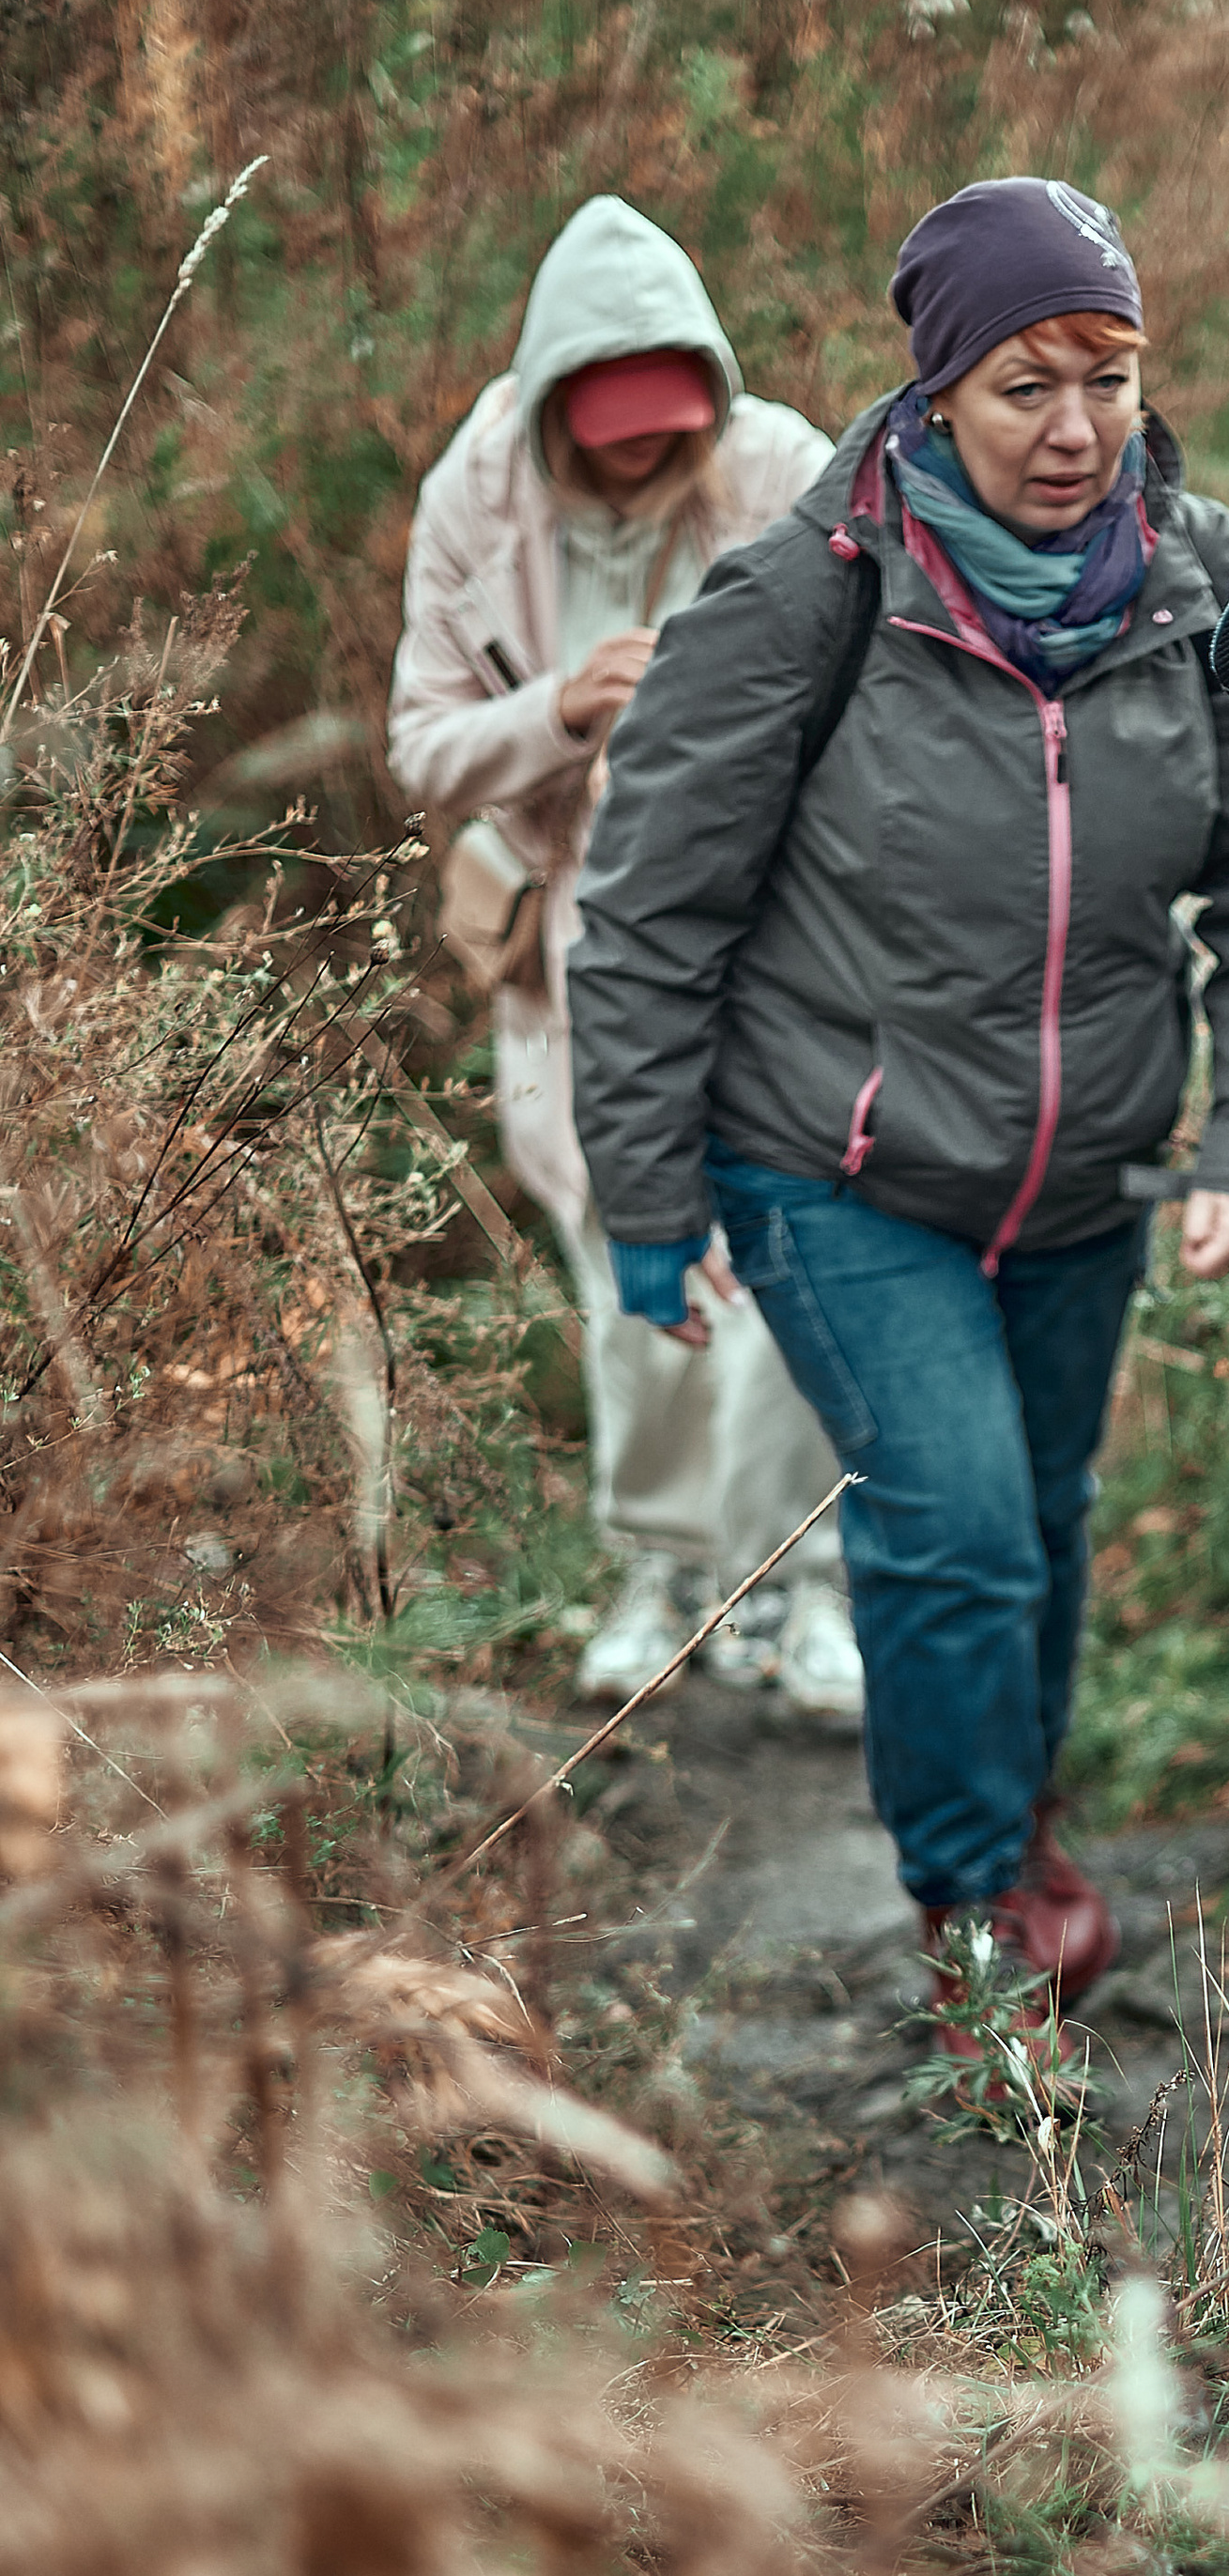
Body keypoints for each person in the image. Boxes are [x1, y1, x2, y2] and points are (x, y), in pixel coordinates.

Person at [567, 177, 1229, 2034]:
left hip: (1083, 1167)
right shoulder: (800, 598)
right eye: (1022, 387)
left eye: (1108, 375)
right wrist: (649, 1202)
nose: (1074, 432)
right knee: (958, 1525)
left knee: (1046, 1522)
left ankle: (1017, 1826)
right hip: (839, 1166)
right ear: (933, 388)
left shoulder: (1197, 579)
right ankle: (971, 1909)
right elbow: (651, 909)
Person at [389, 194, 866, 1721]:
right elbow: (424, 750)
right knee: (624, 1261)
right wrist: (565, 715)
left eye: (671, 422)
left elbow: (892, 670)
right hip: (579, 938)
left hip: (776, 925)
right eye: (612, 429)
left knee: (787, 1242)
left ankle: (798, 1586)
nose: (646, 451)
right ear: (550, 418)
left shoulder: (780, 468)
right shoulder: (477, 496)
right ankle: (662, 1568)